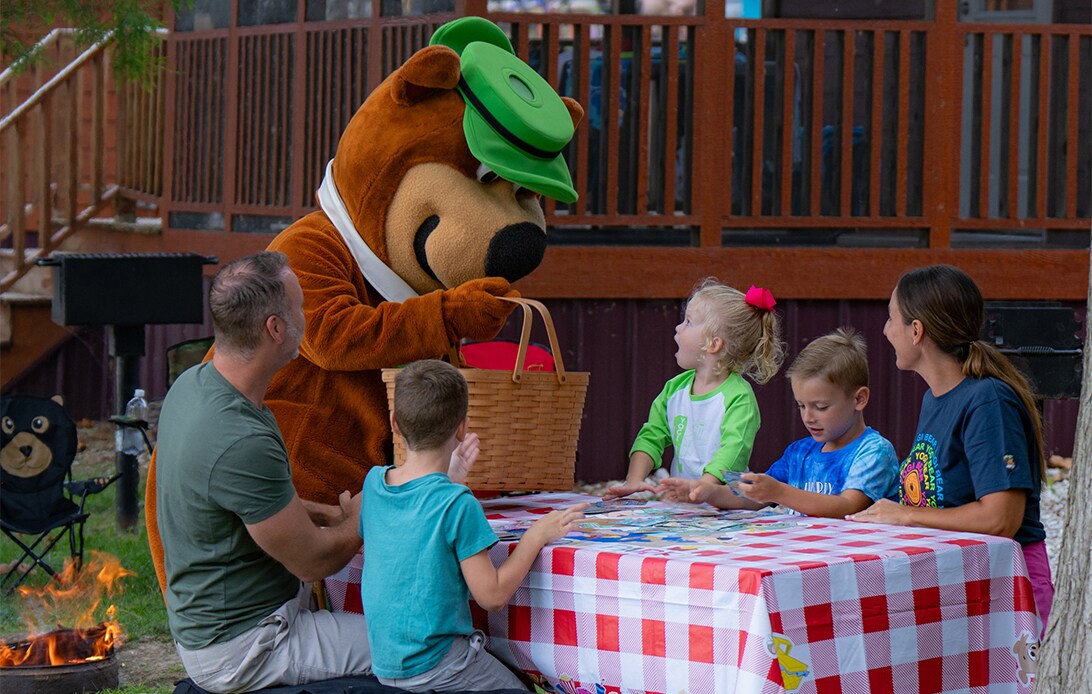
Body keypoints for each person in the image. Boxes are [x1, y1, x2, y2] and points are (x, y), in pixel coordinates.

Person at [155, 251, 371, 693]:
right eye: (300, 309)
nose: (307, 318)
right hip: (247, 647)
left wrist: (330, 515)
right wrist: (362, 516)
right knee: (423, 646)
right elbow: (314, 561)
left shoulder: (193, 385)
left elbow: (244, 506)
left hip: (218, 627)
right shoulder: (239, 439)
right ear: (275, 328)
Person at [847, 264, 1053, 631]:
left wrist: (904, 514)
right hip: (963, 583)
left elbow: (1000, 518)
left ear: (916, 331)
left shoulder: (989, 401)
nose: (884, 330)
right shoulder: (935, 399)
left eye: (890, 318)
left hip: (1009, 591)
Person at [360, 359, 587, 693]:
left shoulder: (374, 484)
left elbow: (410, 532)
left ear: (394, 423)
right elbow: (492, 596)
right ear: (462, 428)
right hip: (438, 664)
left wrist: (449, 481)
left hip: (385, 661)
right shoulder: (457, 504)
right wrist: (536, 536)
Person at [660, 327, 899, 517]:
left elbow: (848, 507)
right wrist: (706, 492)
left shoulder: (873, 451)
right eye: (802, 405)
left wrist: (780, 492)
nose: (808, 416)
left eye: (821, 407)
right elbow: (754, 498)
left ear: (859, 399)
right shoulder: (800, 452)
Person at [604, 280, 785, 500]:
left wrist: (703, 487)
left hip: (728, 504)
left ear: (713, 344)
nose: (678, 327)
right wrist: (634, 480)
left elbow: (733, 452)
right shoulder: (674, 390)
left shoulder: (738, 396)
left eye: (688, 322)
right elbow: (651, 436)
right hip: (686, 503)